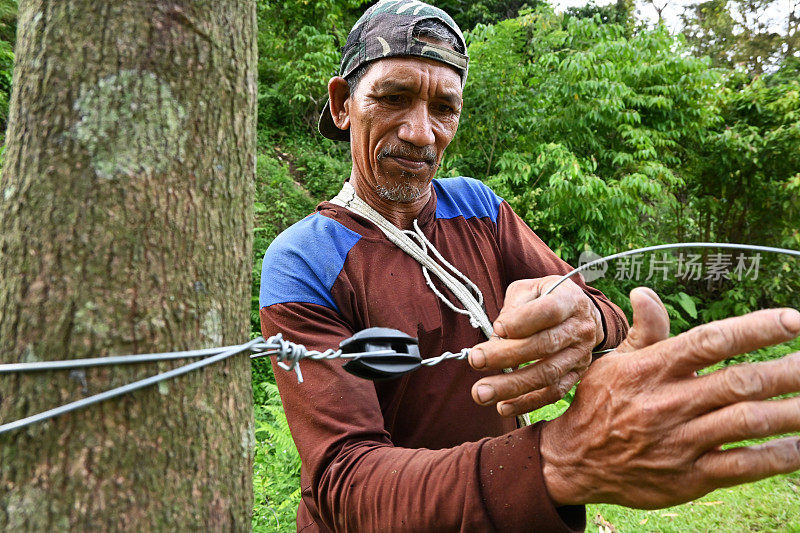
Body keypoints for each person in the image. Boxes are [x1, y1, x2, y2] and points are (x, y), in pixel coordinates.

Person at [260, 2, 800, 531]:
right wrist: (558, 462)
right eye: (393, 97)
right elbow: (345, 484)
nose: (422, 133)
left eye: (444, 108)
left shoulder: (477, 208)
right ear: (341, 104)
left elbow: (603, 312)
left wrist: (584, 323)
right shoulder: (305, 260)